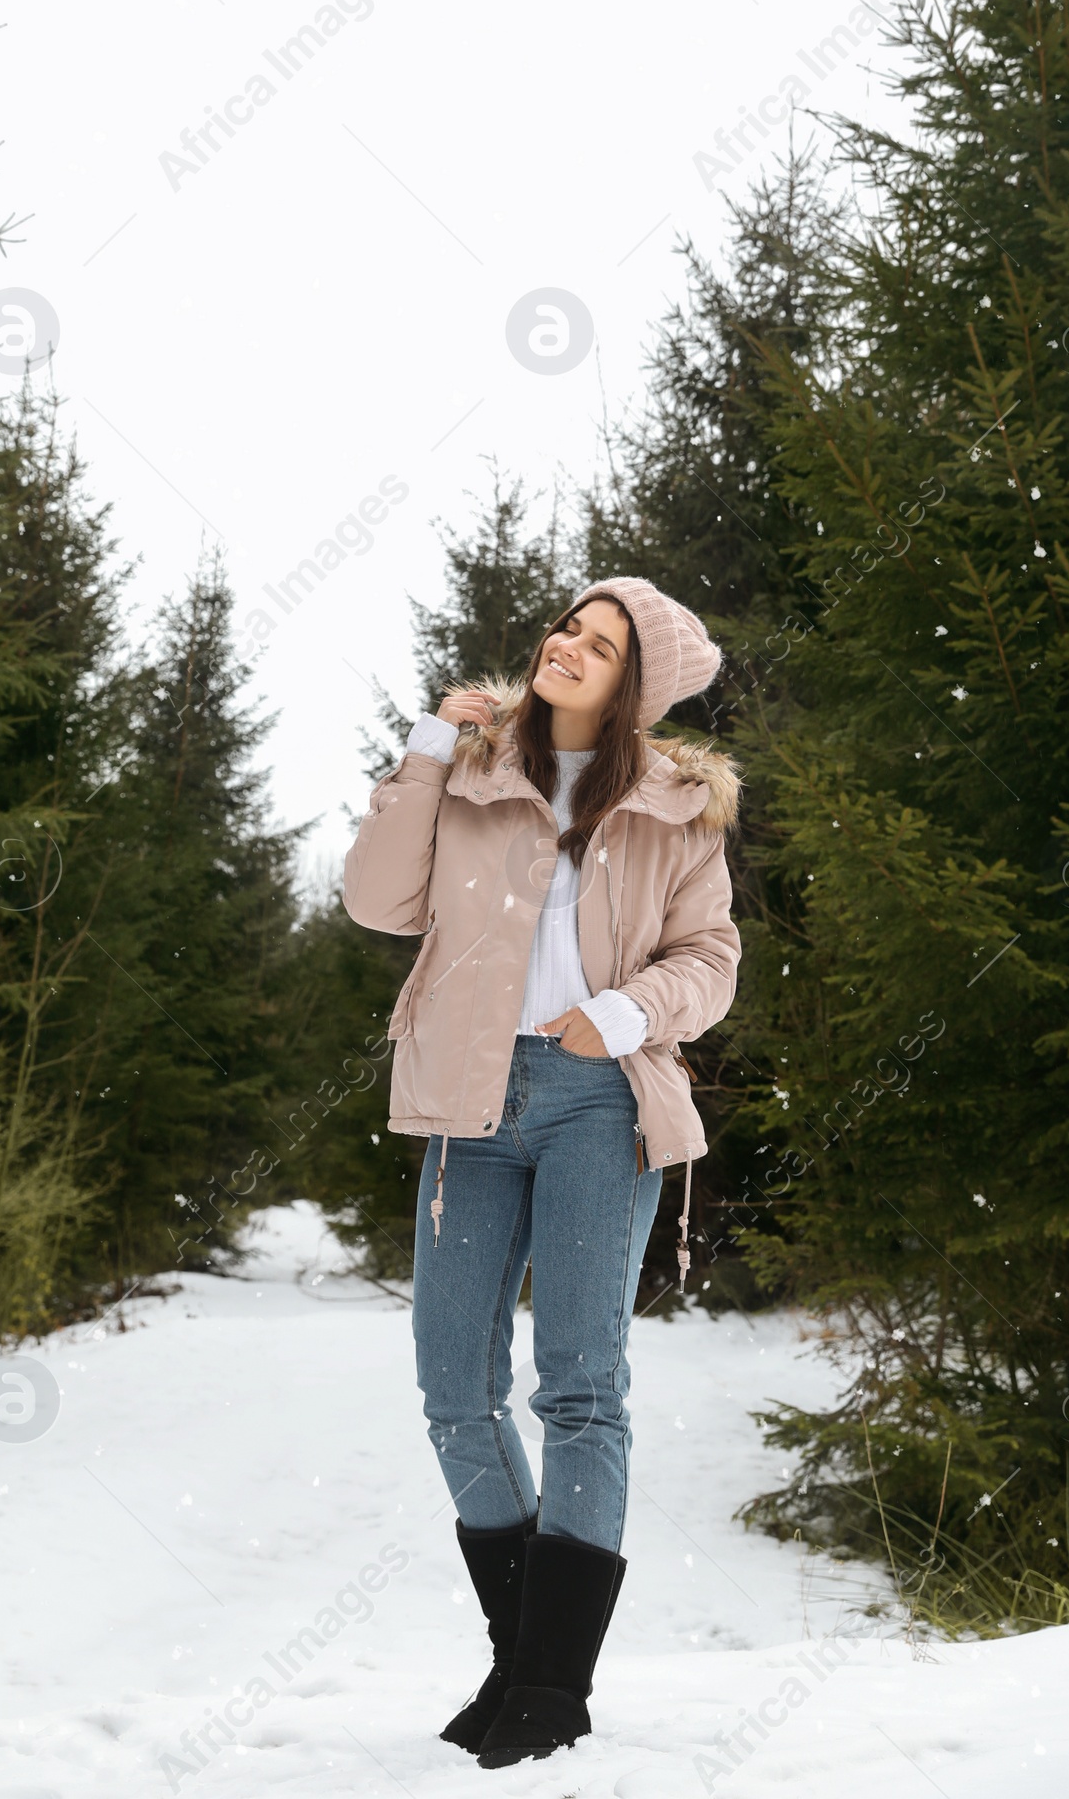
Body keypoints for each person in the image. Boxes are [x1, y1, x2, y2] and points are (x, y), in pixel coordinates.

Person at [342, 576, 740, 1770]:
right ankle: (522, 1652)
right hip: (470, 1095)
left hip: (596, 1098)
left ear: (635, 685)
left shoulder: (675, 807)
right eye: (568, 625)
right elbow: (376, 900)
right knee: (453, 1387)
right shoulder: (468, 774)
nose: (568, 645)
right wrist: (424, 745)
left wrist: (623, 1011)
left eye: (602, 643)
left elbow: (711, 958)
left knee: (579, 1385)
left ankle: (551, 1684)